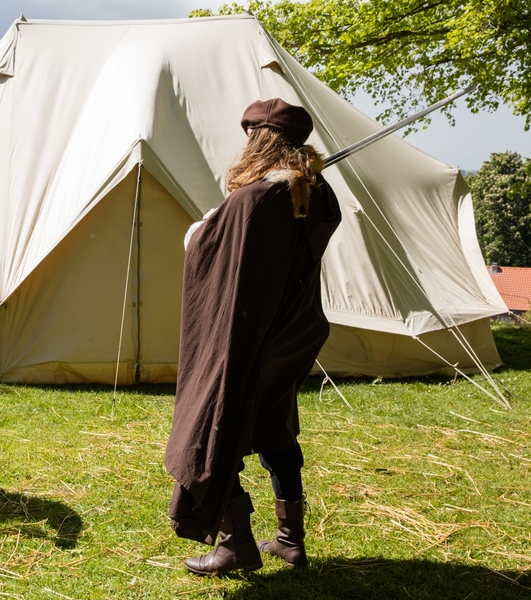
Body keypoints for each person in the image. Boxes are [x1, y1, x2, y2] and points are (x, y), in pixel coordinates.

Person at [165, 98, 341, 576]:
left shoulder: (254, 199)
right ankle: (289, 542)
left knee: (210, 432)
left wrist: (206, 227)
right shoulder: (316, 194)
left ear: (258, 140)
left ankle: (234, 545)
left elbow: (207, 254)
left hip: (253, 337)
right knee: (273, 427)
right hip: (294, 332)